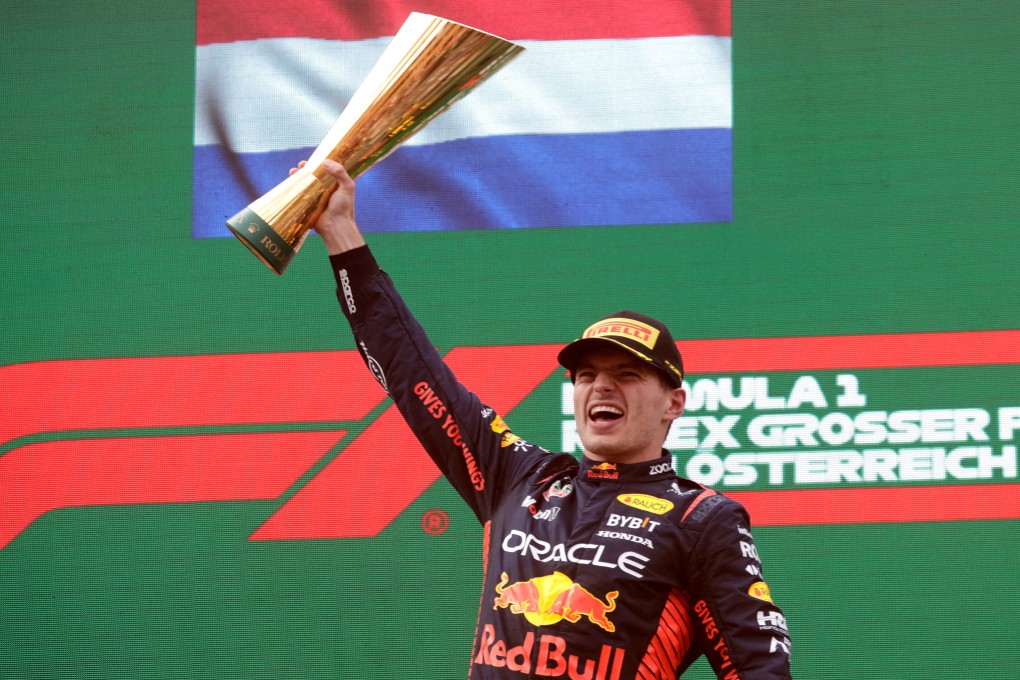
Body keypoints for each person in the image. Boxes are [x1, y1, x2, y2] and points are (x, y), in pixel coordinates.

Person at [307, 159, 793, 679]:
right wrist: (341, 233)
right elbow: (413, 373)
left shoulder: (701, 519)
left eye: (627, 374)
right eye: (586, 375)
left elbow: (760, 668)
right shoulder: (518, 476)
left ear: (674, 403)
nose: (601, 386)